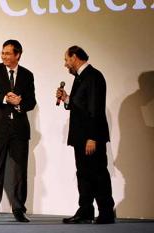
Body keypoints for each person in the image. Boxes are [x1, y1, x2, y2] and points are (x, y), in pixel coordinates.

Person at [0, 39, 36, 222]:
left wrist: (19, 104)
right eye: (2, 52)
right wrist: (4, 98)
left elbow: (31, 101)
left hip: (19, 129)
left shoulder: (27, 75)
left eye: (8, 53)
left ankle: (19, 209)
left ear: (17, 55)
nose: (3, 56)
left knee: (20, 170)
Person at [56, 46, 115, 224]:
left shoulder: (93, 76)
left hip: (90, 137)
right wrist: (67, 99)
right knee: (83, 173)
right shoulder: (81, 77)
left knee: (98, 174)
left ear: (75, 57)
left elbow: (94, 109)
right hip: (80, 137)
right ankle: (86, 210)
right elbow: (81, 105)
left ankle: (106, 212)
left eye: (67, 60)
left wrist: (92, 137)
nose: (65, 64)